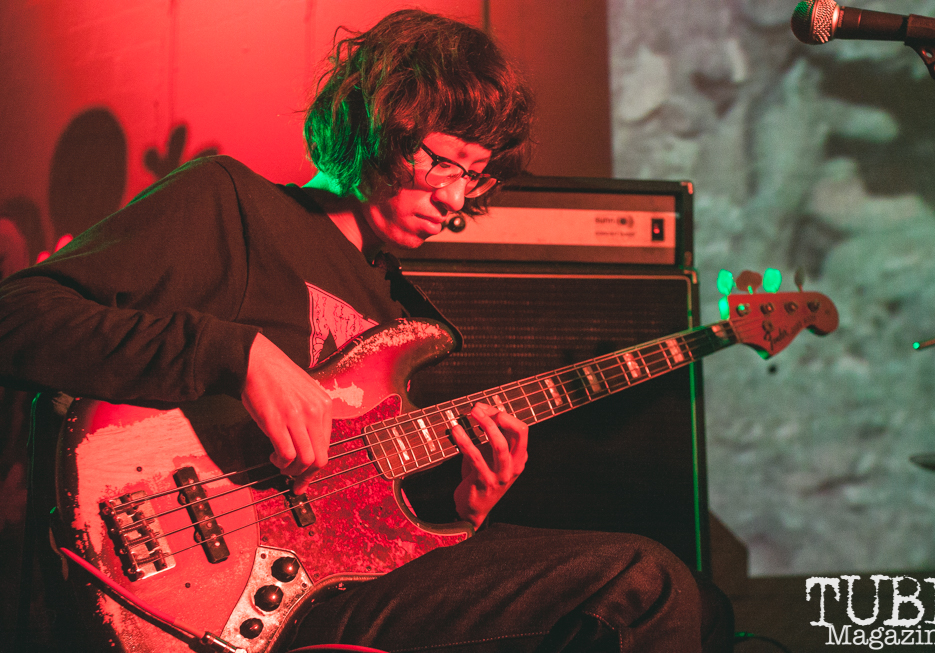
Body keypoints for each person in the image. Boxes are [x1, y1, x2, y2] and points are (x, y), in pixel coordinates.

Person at [0, 10, 731, 652]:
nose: (454, 198)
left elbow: (367, 526)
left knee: (704, 606)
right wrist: (235, 352)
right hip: (184, 566)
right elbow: (18, 316)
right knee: (644, 586)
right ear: (378, 124)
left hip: (329, 588)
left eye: (474, 177)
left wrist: (463, 511)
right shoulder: (234, 205)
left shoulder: (400, 315)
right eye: (442, 161)